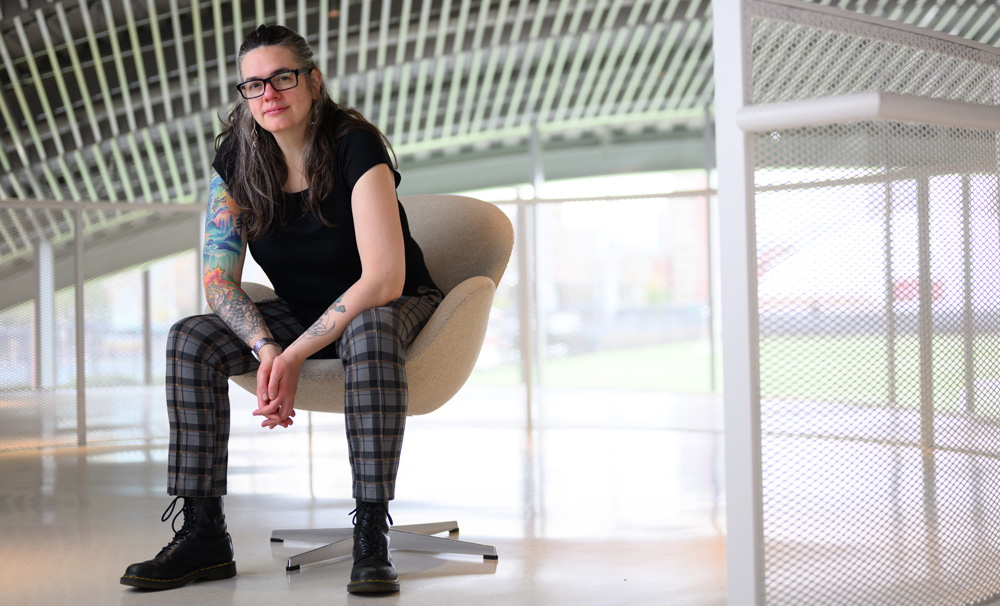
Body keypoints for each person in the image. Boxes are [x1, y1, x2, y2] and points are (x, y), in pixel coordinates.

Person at [120, 24, 441, 595]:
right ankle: (204, 536)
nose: (268, 93)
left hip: (396, 304)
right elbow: (218, 280)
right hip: (303, 311)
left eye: (282, 78)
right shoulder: (236, 160)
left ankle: (371, 533)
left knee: (366, 330)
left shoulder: (353, 145)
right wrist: (267, 347)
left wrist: (292, 355)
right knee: (190, 338)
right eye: (252, 85)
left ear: (313, 82)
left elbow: (384, 278)